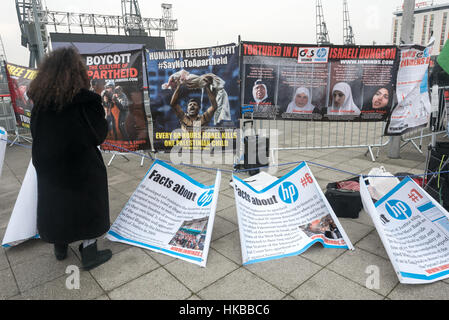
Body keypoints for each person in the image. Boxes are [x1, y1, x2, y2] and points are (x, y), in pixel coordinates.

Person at [28, 47, 112, 271]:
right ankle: (90, 252)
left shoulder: (40, 102)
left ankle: (60, 247)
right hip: (81, 168)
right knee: (88, 204)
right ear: (78, 73)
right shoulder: (86, 102)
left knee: (56, 203)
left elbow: (35, 133)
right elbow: (99, 135)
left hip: (50, 167)